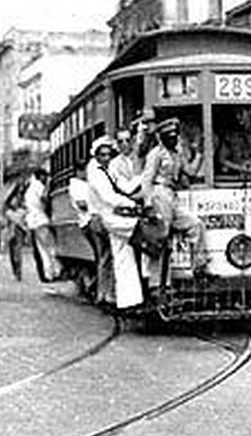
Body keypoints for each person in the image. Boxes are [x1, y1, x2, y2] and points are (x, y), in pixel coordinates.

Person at [141, 117, 209, 284]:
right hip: (159, 193)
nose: (173, 139)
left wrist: (199, 153)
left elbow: (190, 172)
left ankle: (199, 268)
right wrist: (148, 204)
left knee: (195, 225)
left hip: (172, 195)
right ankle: (156, 283)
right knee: (160, 238)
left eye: (175, 136)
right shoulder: (156, 154)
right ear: (162, 138)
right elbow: (147, 180)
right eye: (169, 136)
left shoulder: (177, 154)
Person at [87, 135, 144, 309]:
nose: (105, 158)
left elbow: (125, 186)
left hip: (115, 218)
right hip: (106, 218)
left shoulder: (109, 169)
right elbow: (108, 196)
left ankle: (123, 298)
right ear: (96, 156)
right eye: (101, 155)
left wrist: (145, 175)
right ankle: (119, 298)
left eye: (108, 154)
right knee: (116, 256)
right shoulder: (95, 172)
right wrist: (131, 203)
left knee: (120, 256)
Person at [69, 154, 113, 305]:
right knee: (104, 256)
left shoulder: (86, 183)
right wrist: (97, 202)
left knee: (103, 257)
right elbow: (82, 204)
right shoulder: (75, 185)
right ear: (78, 171)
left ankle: (101, 290)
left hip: (93, 221)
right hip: (88, 223)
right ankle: (103, 293)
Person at [24, 168, 61, 282]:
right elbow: (44, 197)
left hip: (33, 221)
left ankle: (48, 274)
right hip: (40, 219)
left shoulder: (29, 188)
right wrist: (49, 186)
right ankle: (55, 271)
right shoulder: (38, 185)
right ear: (40, 176)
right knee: (50, 247)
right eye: (45, 176)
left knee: (42, 249)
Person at [216, 107, 251, 177]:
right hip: (236, 178)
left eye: (241, 113)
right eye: (236, 114)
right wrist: (238, 167)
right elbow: (222, 159)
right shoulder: (230, 135)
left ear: (250, 111)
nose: (237, 117)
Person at [3, 181, 28, 281]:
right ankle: (15, 271)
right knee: (12, 252)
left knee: (17, 251)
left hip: (18, 229)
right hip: (12, 228)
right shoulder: (11, 202)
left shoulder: (23, 200)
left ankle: (18, 272)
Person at [108, 128, 141, 196]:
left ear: (133, 140)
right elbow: (126, 189)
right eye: (120, 141)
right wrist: (143, 176)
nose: (124, 144)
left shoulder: (141, 157)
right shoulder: (114, 164)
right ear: (116, 143)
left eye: (127, 140)